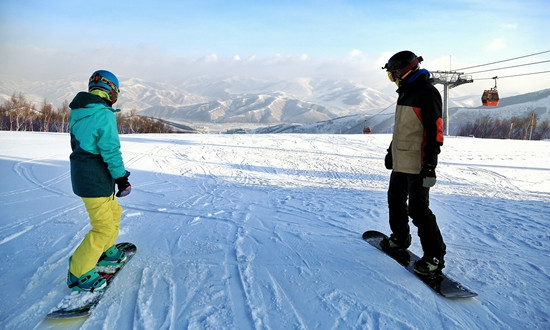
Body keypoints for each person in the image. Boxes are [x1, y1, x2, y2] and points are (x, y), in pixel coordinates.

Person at [380, 51, 446, 276]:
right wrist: (391, 152)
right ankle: (400, 238)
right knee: (395, 201)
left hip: (418, 162)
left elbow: (435, 131)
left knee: (418, 210)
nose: (393, 79)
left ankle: (434, 256)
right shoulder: (405, 92)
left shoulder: (427, 93)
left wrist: (430, 163)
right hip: (401, 160)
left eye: (393, 75)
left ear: (405, 71)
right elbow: (403, 128)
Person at [67, 70, 132, 292]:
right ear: (112, 91)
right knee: (103, 227)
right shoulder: (103, 114)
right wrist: (122, 178)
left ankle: (105, 251)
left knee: (114, 213)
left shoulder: (80, 111)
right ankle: (79, 272)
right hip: (94, 180)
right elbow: (111, 151)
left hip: (89, 177)